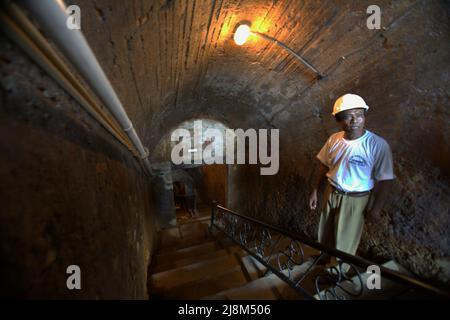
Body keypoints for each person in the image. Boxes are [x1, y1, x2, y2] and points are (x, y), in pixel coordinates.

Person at [309, 93, 395, 267]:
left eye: (359, 115)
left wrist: (376, 209)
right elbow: (323, 165)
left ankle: (337, 271)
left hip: (356, 199)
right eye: (348, 116)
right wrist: (315, 191)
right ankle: (324, 257)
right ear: (339, 120)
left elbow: (386, 180)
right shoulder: (334, 139)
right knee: (325, 230)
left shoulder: (377, 145)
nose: (355, 120)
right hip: (331, 192)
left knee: (345, 240)